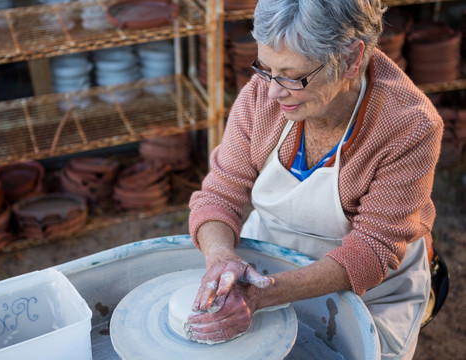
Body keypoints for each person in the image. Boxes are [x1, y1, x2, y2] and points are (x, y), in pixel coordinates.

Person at [186, 0, 443, 359]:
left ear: (352, 60)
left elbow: (370, 248)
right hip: (267, 262)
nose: (273, 91)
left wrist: (263, 294)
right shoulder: (263, 95)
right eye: (265, 68)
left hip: (368, 291)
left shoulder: (408, 125)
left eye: (293, 75)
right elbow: (219, 195)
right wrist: (221, 259)